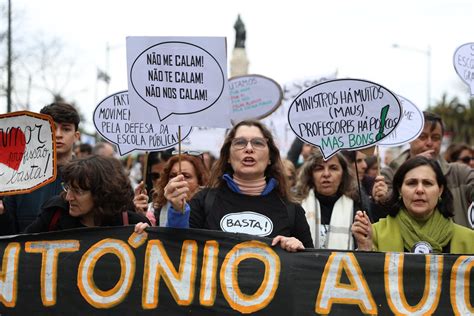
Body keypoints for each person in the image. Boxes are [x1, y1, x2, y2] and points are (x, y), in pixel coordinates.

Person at [136, 120, 313, 252]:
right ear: (228, 156)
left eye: (258, 143)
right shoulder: (204, 201)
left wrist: (299, 250)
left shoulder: (292, 211)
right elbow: (176, 249)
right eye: (240, 143)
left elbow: (311, 272)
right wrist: (176, 211)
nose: (249, 149)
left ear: (270, 158)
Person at [352, 156, 474, 254]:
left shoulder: (468, 239)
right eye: (411, 183)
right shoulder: (375, 234)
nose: (419, 190)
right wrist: (365, 249)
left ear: (440, 190)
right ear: (400, 189)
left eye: (427, 183)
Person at [381, 111, 473, 228]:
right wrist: (383, 198)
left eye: (435, 138)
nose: (429, 143)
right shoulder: (389, 173)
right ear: (410, 138)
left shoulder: (459, 173)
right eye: (422, 137)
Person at [1, 102, 81, 234]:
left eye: (66, 129)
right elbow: (8, 234)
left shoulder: (87, 178)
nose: (58, 134)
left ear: (76, 136)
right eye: (52, 128)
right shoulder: (19, 178)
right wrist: (2, 213)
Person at [25, 155, 149, 233]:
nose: (68, 197)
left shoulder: (130, 223)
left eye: (78, 191)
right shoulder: (54, 214)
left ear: (102, 193)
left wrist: (146, 236)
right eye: (68, 188)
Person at [295, 150, 370, 249]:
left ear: (343, 174)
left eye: (333, 168)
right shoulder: (297, 205)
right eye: (319, 168)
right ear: (310, 175)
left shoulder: (358, 206)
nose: (326, 174)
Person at [134, 153, 209, 226]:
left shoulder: (209, 209)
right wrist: (142, 217)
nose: (177, 180)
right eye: (172, 176)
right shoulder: (155, 208)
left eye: (186, 176)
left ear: (199, 181)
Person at [341, 150, 388, 221]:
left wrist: (380, 202)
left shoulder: (372, 184)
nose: (365, 165)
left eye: (364, 160)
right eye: (358, 161)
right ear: (345, 163)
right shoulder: (334, 190)